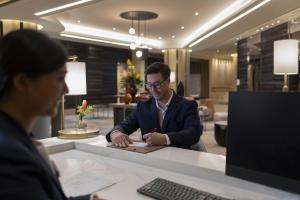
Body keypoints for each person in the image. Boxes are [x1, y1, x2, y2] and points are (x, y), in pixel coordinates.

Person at [0, 29, 102, 200]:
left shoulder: (18, 136)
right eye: (59, 79)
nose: (66, 89)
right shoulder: (8, 156)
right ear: (22, 82)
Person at [106, 62, 202, 149]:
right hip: (150, 161)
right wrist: (115, 133)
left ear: (168, 81)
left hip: (179, 160)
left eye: (157, 84)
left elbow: (193, 133)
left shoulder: (187, 106)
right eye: (149, 85)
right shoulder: (143, 107)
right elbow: (124, 125)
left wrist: (165, 138)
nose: (153, 90)